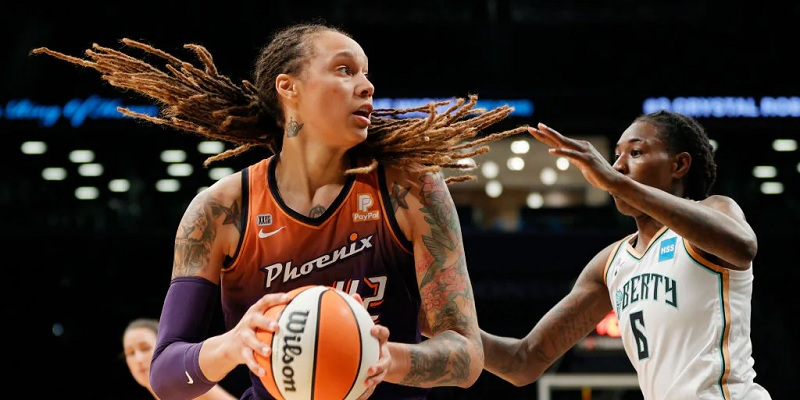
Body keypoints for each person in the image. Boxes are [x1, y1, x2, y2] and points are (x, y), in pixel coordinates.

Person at [32, 22, 527, 400]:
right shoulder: (220, 210)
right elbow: (165, 374)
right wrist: (236, 343)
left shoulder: (412, 191)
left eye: (367, 73)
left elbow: (465, 356)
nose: (367, 85)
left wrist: (379, 356)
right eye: (344, 69)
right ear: (288, 88)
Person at [481, 111, 772, 400]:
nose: (618, 166)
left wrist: (616, 183)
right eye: (616, 156)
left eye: (635, 152)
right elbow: (524, 361)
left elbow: (743, 245)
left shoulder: (717, 210)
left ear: (680, 164)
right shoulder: (611, 263)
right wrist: (449, 328)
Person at [123, 318, 239, 400]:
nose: (138, 359)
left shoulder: (187, 384)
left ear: (162, 349)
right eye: (130, 353)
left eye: (145, 348)